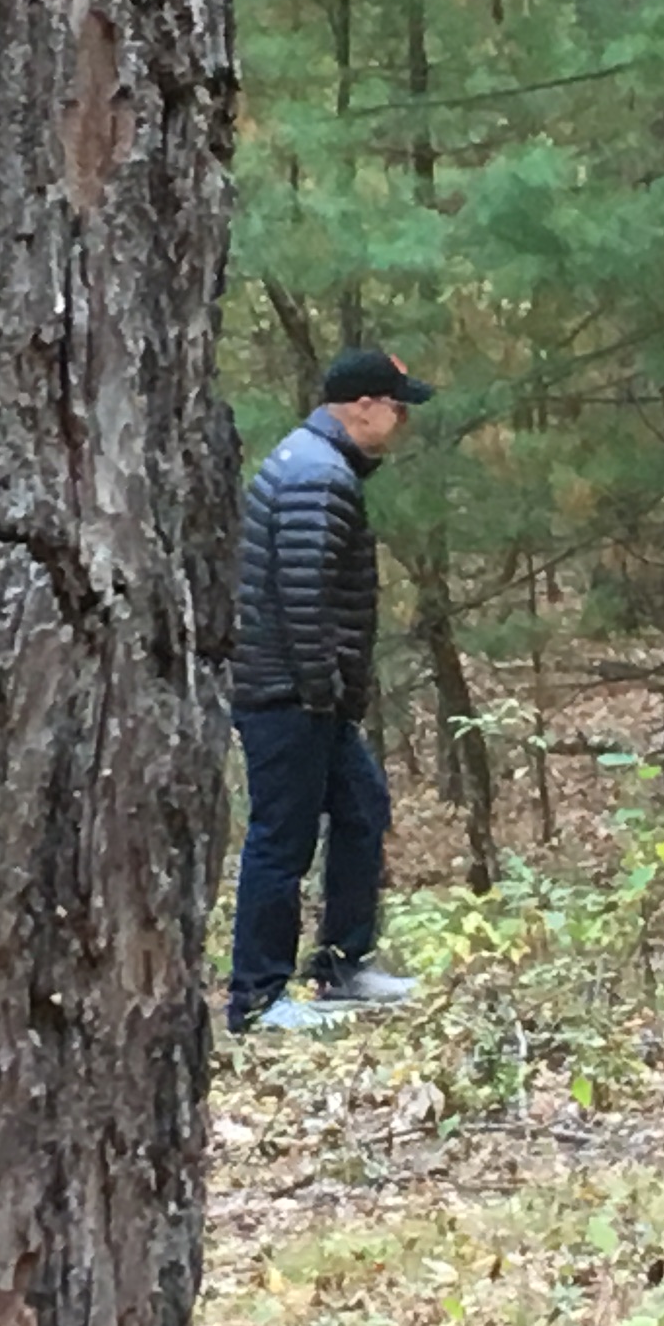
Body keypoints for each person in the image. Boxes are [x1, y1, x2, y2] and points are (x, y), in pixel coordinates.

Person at [228, 347, 436, 1033]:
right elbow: (304, 596)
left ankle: (343, 963)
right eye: (397, 407)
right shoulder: (318, 477)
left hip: (307, 690)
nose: (401, 422)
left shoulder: (316, 466)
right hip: (291, 694)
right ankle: (258, 999)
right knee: (280, 841)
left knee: (362, 809)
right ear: (363, 406)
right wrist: (324, 691)